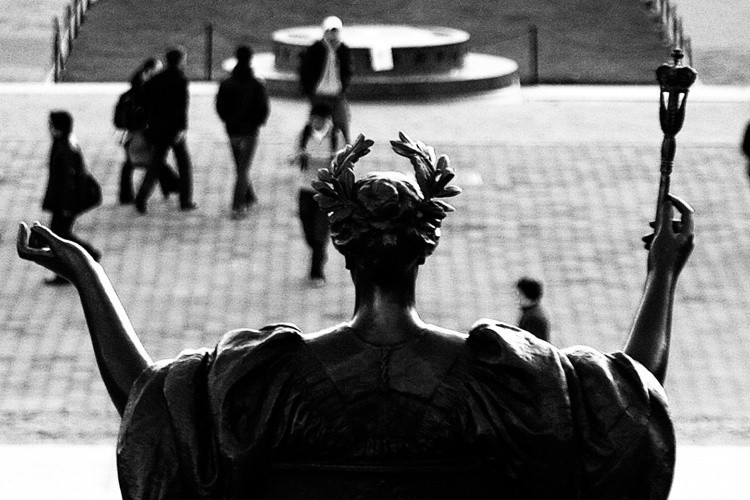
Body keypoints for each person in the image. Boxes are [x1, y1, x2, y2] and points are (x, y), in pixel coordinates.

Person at [17, 133, 694, 497]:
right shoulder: (504, 381)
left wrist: (87, 273)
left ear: (342, 251)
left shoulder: (268, 382)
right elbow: (631, 404)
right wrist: (663, 271)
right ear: (426, 249)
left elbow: (149, 405)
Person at [41, 111, 101, 285]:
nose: (48, 129)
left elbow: (69, 181)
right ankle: (85, 257)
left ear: (58, 128)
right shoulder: (63, 143)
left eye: (51, 125)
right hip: (63, 201)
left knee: (59, 237)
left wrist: (67, 206)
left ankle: (81, 260)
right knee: (61, 235)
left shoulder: (65, 148)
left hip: (65, 203)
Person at [135, 46, 197, 214]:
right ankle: (185, 200)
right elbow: (181, 107)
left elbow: (143, 99)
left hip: (158, 128)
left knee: (155, 165)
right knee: (184, 165)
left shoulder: (156, 79)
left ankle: (141, 198)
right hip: (174, 129)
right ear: (180, 61)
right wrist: (182, 129)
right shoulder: (180, 80)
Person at [114, 57, 180, 205]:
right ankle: (172, 185)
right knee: (152, 161)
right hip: (141, 133)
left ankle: (127, 195)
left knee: (135, 163)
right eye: (158, 69)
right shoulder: (144, 91)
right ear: (149, 71)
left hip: (132, 135)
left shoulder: (132, 92)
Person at [215, 45, 270, 219]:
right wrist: (258, 122)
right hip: (250, 131)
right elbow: (263, 107)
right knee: (242, 169)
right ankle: (238, 205)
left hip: (232, 131)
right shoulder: (256, 84)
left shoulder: (227, 83)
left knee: (240, 165)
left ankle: (249, 195)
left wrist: (227, 121)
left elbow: (220, 106)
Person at [295, 103, 338, 283]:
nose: (315, 122)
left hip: (325, 190)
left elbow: (340, 160)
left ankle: (316, 271)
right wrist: (299, 157)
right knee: (308, 230)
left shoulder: (335, 136)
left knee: (320, 231)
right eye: (313, 118)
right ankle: (318, 252)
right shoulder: (304, 134)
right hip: (305, 188)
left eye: (319, 119)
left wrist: (326, 160)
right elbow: (297, 153)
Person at [298, 15, 352, 145]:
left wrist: (343, 86)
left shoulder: (343, 49)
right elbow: (305, 70)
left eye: (335, 32)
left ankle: (345, 152)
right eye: (329, 32)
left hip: (336, 94)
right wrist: (309, 89)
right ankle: (305, 150)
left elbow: (347, 70)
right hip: (318, 94)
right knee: (315, 124)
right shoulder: (316, 49)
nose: (332, 35)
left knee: (342, 122)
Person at [515, 276, 551, 342]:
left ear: (527, 297)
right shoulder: (533, 312)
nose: (517, 299)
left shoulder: (533, 318)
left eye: (520, 295)